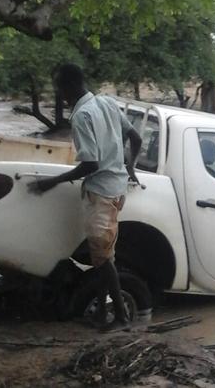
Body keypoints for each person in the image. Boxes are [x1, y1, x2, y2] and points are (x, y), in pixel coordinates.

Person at [28, 63, 142, 329]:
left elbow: (91, 164)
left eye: (58, 88)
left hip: (101, 193)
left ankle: (121, 317)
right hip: (117, 190)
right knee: (106, 255)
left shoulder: (81, 117)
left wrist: (51, 183)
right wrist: (130, 167)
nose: (59, 95)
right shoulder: (107, 102)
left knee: (102, 260)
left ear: (66, 88)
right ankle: (103, 310)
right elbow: (135, 138)